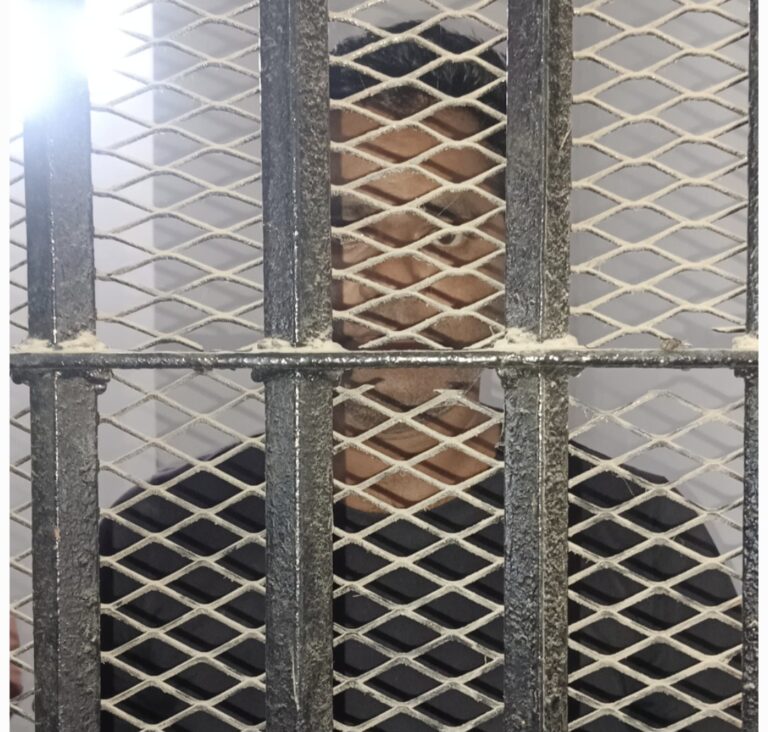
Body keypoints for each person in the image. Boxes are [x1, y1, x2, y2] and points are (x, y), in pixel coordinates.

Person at [99, 24, 738, 731]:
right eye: (351, 225)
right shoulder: (159, 543)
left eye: (445, 229)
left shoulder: (640, 544)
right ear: (294, 257)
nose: (396, 280)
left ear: (512, 264)